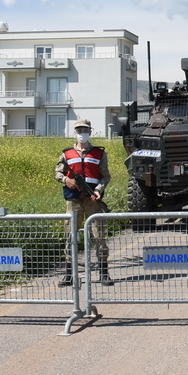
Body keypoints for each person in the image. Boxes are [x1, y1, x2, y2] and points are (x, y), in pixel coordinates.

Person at [55, 119, 113, 286]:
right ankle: (69, 275)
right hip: (74, 199)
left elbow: (106, 176)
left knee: (99, 236)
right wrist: (67, 180)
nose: (82, 133)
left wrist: (98, 190)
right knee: (71, 236)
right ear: (75, 133)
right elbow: (58, 173)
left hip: (92, 200)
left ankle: (104, 273)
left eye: (85, 130)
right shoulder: (66, 154)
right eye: (79, 130)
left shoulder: (99, 154)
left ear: (90, 132)